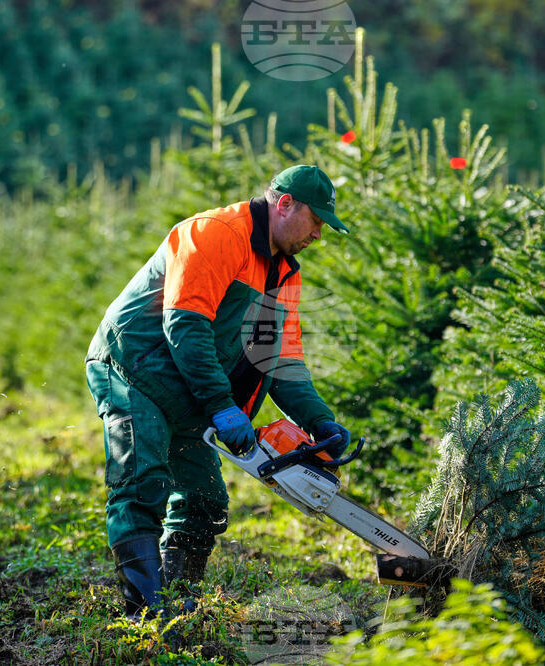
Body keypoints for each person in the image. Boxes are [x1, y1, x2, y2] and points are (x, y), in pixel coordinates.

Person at [85, 165, 352, 619]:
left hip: (189, 388)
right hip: (134, 366)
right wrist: (222, 407)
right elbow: (185, 326)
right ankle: (143, 613)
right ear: (285, 204)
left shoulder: (284, 273)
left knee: (204, 501)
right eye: (317, 220)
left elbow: (280, 359)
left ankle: (175, 605)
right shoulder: (215, 233)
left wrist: (318, 420)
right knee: (142, 481)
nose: (319, 235)